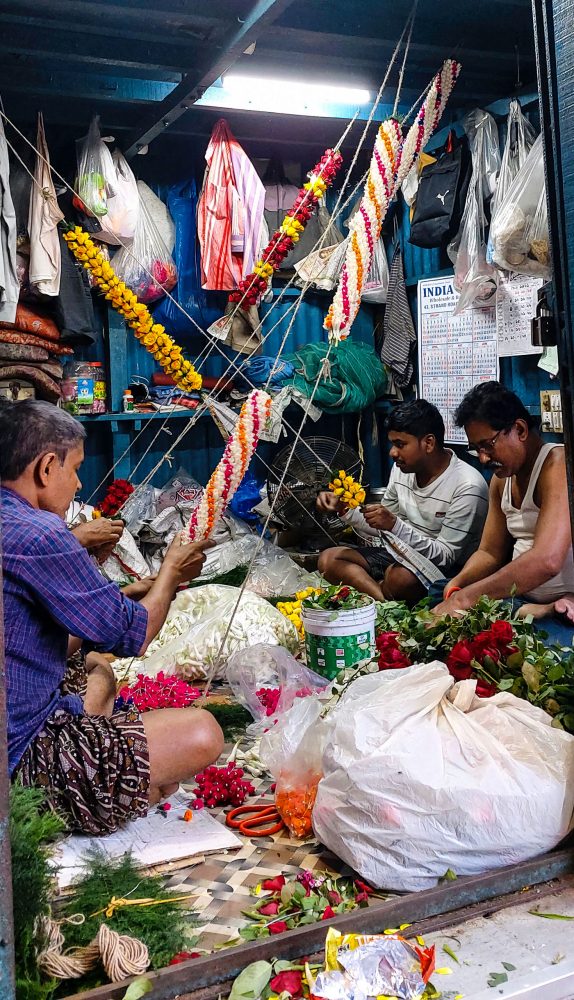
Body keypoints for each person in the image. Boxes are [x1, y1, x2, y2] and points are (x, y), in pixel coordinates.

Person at [0, 399, 223, 835]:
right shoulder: (39, 533)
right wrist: (171, 572)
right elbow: (134, 635)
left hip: (16, 713)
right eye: (76, 469)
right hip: (18, 756)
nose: (79, 483)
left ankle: (114, 770)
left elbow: (32, 639)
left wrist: (122, 593)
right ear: (47, 468)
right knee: (201, 732)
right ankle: (70, 791)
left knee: (96, 669)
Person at [317, 399, 489, 604]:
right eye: (392, 444)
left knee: (400, 579)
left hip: (443, 568)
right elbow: (382, 525)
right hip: (401, 553)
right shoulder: (402, 470)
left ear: (429, 443)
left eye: (400, 444)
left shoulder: (468, 485)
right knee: (328, 560)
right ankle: (383, 599)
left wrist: (394, 525)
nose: (392, 452)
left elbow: (446, 556)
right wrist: (344, 509)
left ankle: (383, 590)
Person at [433, 382, 574, 629]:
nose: (484, 458)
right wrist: (457, 585)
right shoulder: (502, 481)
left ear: (519, 430)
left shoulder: (557, 465)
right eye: (477, 450)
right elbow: (489, 553)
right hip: (521, 597)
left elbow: (547, 560)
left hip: (565, 606)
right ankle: (533, 610)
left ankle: (545, 611)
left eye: (488, 445)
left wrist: (466, 598)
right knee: (437, 592)